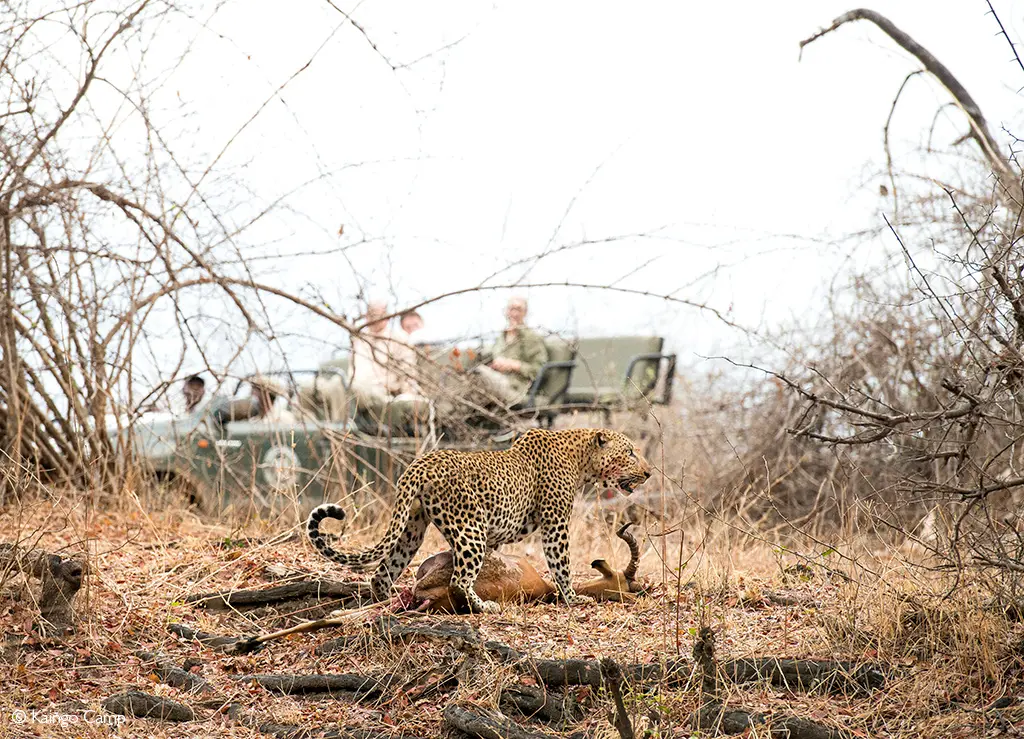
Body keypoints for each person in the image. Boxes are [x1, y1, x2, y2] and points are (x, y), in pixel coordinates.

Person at [472, 296, 548, 406]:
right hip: (497, 379)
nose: (515, 314)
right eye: (512, 309)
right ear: (506, 311)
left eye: (519, 309)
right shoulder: (501, 338)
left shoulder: (531, 338)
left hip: (516, 386)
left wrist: (514, 365)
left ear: (525, 313)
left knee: (479, 372)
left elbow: (539, 369)